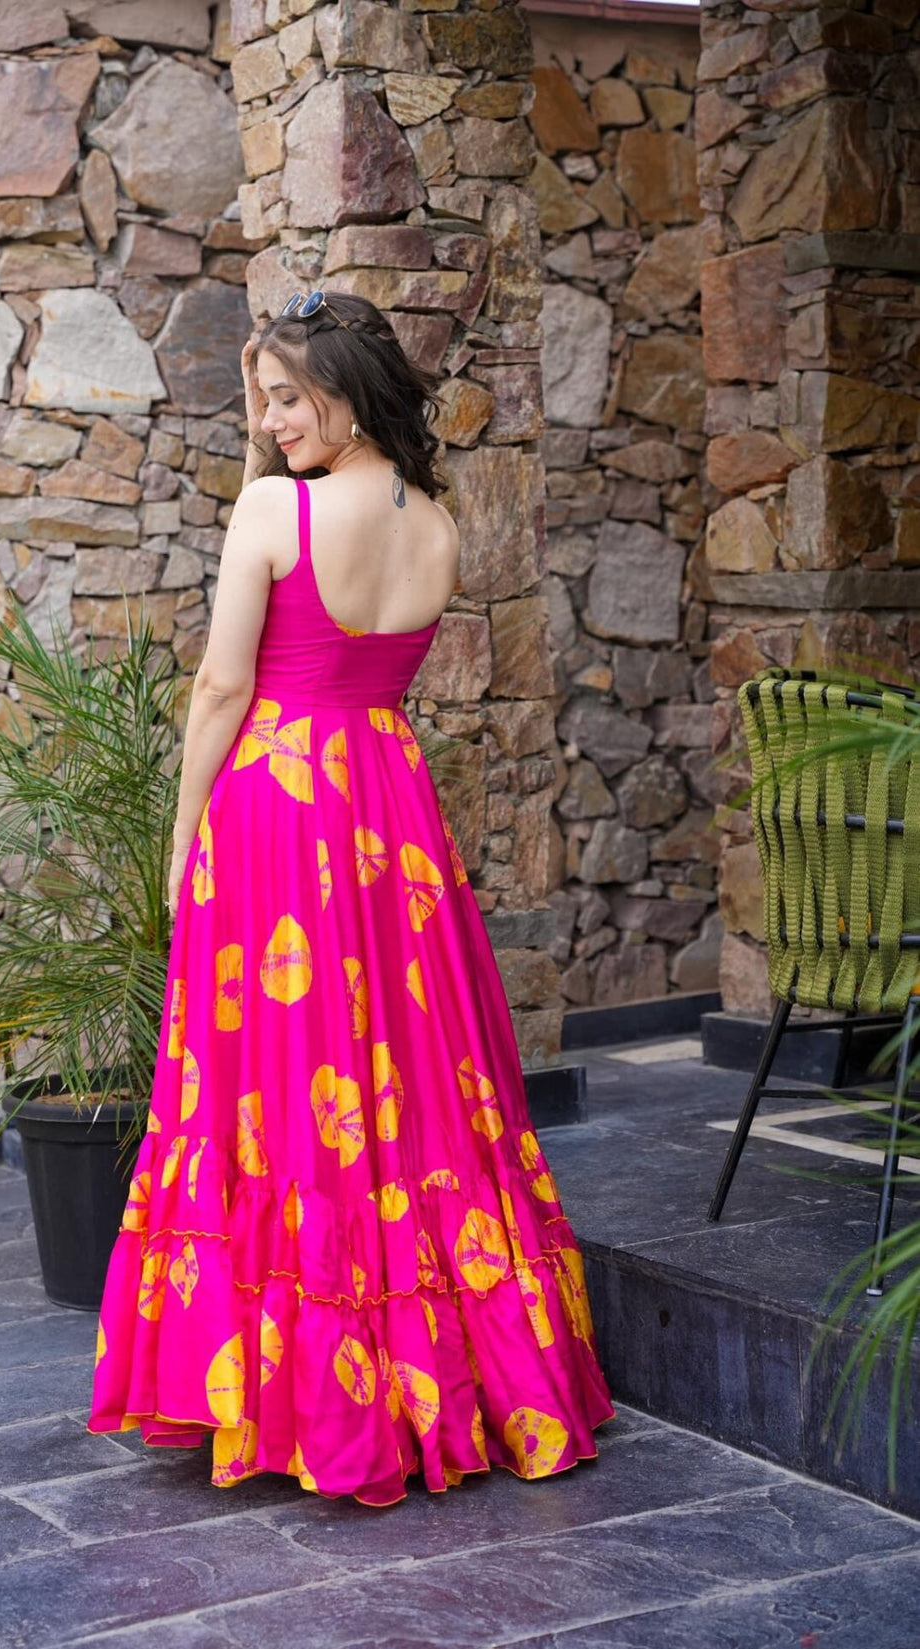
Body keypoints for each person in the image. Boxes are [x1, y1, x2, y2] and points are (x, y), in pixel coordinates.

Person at [87, 290, 614, 1505]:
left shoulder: (275, 509)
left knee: (282, 1084)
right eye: (263, 400)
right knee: (416, 1086)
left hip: (280, 810)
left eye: (286, 397)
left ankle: (310, 1399)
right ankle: (461, 1380)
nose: (269, 422)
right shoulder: (436, 522)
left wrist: (183, 835)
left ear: (346, 390)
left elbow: (222, 686)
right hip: (387, 811)